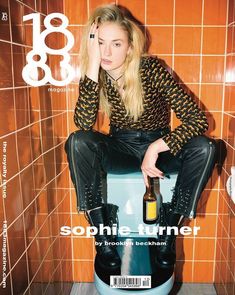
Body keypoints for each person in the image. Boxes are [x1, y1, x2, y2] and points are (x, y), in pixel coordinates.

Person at [65, 4, 217, 270]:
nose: (107, 52)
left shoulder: (151, 70)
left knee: (205, 147)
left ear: (130, 46)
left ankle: (167, 231)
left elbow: (198, 120)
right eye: (100, 43)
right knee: (77, 141)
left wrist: (156, 147)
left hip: (160, 148)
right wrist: (90, 66)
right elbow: (84, 124)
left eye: (116, 44)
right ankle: (103, 236)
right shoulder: (94, 75)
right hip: (120, 148)